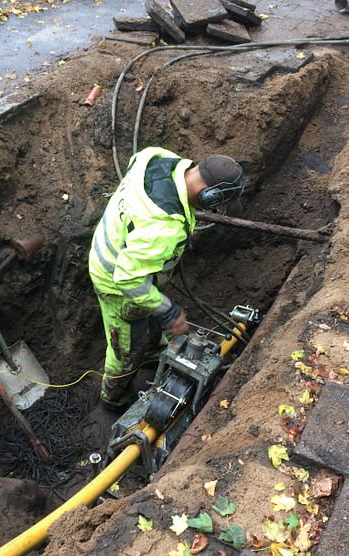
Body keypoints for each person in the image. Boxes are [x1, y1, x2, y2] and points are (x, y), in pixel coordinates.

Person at [88, 146, 244, 410]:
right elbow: (128, 280)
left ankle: (150, 351)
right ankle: (114, 399)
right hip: (115, 281)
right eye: (217, 203)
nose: (217, 209)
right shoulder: (162, 227)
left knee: (147, 323)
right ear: (207, 196)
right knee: (126, 350)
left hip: (118, 251)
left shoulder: (159, 158)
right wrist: (169, 311)